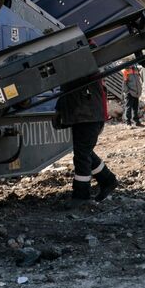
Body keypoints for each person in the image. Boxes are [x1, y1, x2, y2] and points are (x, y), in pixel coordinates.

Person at [55, 76, 117, 208]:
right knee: (84, 151)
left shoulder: (79, 68)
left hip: (88, 117)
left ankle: (81, 195)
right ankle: (107, 180)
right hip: (88, 116)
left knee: (82, 155)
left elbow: (70, 91)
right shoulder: (81, 67)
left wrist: (59, 110)